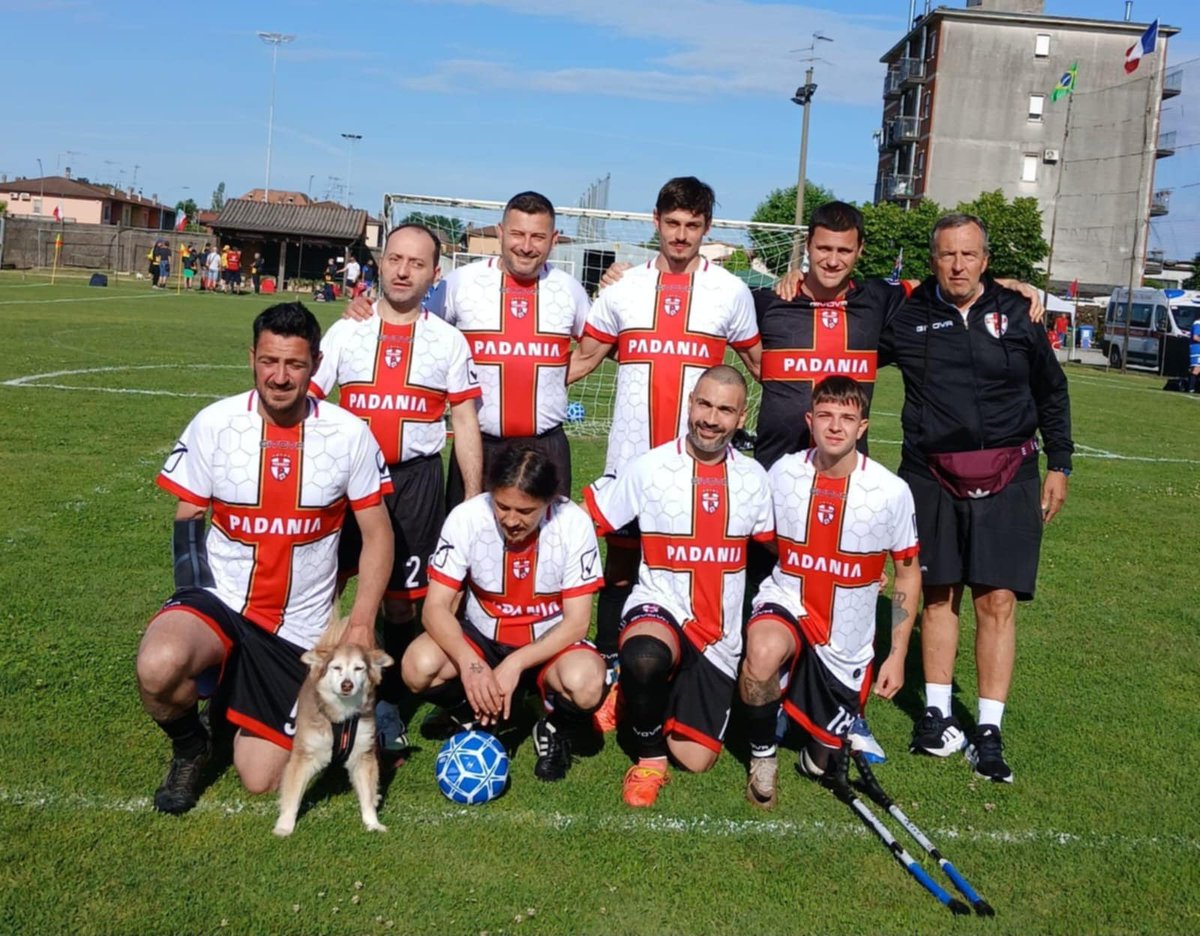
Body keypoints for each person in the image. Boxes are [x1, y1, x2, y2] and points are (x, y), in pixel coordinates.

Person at [135, 302, 394, 814]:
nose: (279, 377)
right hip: (223, 602)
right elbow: (188, 519)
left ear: (316, 364)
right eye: (269, 361)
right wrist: (191, 598)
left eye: (294, 364)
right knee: (159, 663)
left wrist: (362, 622)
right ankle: (191, 747)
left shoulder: (348, 434)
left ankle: (229, 700)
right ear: (252, 357)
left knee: (260, 776)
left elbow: (378, 534)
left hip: (297, 629)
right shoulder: (215, 423)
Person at [878, 213, 1073, 783]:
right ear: (932, 260)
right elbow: (845, 320)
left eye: (968, 255)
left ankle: (988, 727)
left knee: (998, 600)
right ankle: (936, 715)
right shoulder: (907, 316)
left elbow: (1051, 391)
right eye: (947, 255)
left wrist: (1060, 463)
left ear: (986, 261)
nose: (958, 265)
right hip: (930, 474)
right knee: (938, 594)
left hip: (1011, 474)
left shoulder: (1018, 312)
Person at [567, 177, 761, 719]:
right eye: (672, 223)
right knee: (621, 566)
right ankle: (612, 672)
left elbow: (762, 365)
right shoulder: (623, 288)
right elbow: (583, 359)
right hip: (630, 461)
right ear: (655, 221)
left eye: (692, 225)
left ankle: (703, 670)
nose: (680, 235)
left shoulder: (731, 292)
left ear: (707, 228)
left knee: (702, 568)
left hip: (702, 465)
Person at [311, 223, 484, 760]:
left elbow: (465, 422)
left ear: (435, 274)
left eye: (416, 263)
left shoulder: (448, 341)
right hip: (348, 481)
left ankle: (387, 704)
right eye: (394, 259)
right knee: (323, 590)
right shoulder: (347, 331)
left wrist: (472, 500)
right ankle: (310, 693)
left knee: (403, 604)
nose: (403, 271)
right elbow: (309, 404)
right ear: (380, 264)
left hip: (415, 482)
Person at [583, 365, 773, 806]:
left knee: (695, 758)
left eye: (724, 410)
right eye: (704, 404)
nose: (711, 419)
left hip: (718, 637)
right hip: (660, 607)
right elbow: (593, 518)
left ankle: (639, 694)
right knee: (644, 657)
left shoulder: (754, 479)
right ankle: (649, 757)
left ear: (741, 417)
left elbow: (779, 546)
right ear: (690, 404)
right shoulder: (649, 467)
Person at [740, 376, 921, 809]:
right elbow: (764, 534)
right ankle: (763, 755)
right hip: (788, 602)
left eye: (846, 418)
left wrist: (896, 654)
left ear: (862, 427)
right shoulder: (784, 473)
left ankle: (810, 739)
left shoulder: (891, 492)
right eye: (825, 415)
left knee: (821, 763)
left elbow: (907, 575)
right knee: (762, 650)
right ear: (810, 421)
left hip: (846, 643)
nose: (835, 426)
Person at [345, 192, 590, 507]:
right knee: (468, 534)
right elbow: (414, 324)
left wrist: (553, 376)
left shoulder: (569, 289)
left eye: (538, 237)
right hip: (479, 445)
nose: (526, 246)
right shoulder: (461, 283)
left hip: (547, 446)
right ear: (500, 233)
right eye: (517, 234)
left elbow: (595, 348)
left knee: (551, 536)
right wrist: (366, 310)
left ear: (553, 239)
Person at [402, 445, 606, 782]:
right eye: (502, 506)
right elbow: (434, 609)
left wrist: (515, 663)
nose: (511, 520)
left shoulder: (573, 524)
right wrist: (472, 665)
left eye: (525, 511)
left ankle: (552, 726)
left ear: (549, 501)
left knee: (586, 684)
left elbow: (577, 623)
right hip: (483, 638)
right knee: (417, 666)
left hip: (548, 645)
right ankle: (476, 714)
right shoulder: (467, 518)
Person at [1188, 315, 1200, 393]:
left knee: (1195, 368)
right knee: (1197, 368)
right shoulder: (1198, 324)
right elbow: (1195, 337)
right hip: (1197, 349)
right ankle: (1191, 388)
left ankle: (1191, 387)